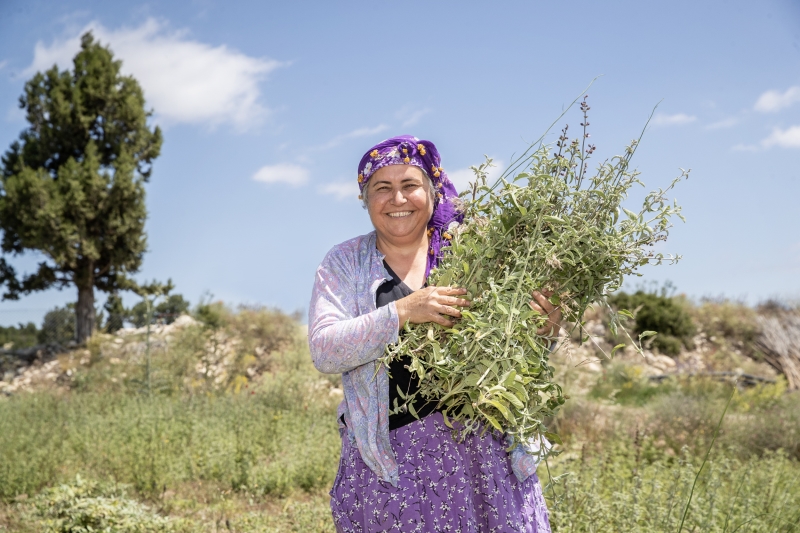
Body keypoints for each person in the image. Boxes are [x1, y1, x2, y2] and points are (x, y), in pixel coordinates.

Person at [309, 135, 560, 532]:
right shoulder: (344, 263)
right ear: (364, 198)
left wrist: (544, 330)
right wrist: (404, 310)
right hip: (391, 466)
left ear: (432, 190)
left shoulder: (475, 249)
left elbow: (518, 352)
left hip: (485, 453)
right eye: (382, 188)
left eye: (410, 185)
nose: (398, 199)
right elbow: (324, 350)